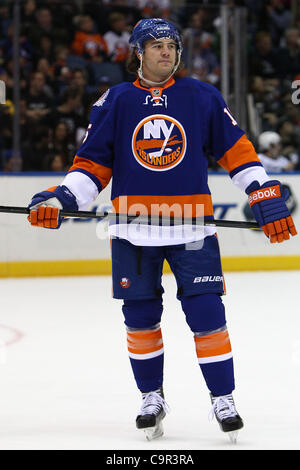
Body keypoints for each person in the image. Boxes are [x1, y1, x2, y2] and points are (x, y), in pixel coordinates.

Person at [27, 19, 297, 443]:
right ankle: (151, 396)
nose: (166, 52)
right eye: (156, 45)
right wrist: (63, 198)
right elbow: (92, 165)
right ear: (138, 52)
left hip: (193, 229)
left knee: (208, 315)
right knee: (139, 319)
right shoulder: (114, 101)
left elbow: (237, 153)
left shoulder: (201, 96)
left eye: (172, 45)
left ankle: (222, 399)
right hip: (133, 233)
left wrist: (263, 193)